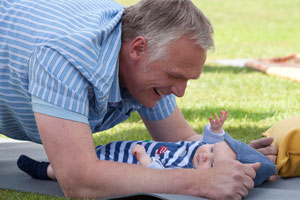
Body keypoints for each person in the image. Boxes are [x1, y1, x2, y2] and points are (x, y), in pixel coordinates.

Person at [0, 0, 277, 199]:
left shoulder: (143, 56)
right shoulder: (66, 56)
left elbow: (180, 140)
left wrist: (231, 155)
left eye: (187, 80)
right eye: (174, 76)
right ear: (138, 48)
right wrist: (200, 182)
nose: (180, 92)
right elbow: (79, 181)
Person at [17, 110, 276, 187]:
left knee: (63, 169)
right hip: (119, 148)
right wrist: (217, 132)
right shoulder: (201, 150)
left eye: (209, 163)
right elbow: (211, 142)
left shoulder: (185, 170)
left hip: (121, 162)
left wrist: (144, 158)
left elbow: (157, 173)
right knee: (87, 153)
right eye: (211, 150)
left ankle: (44, 170)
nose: (204, 154)